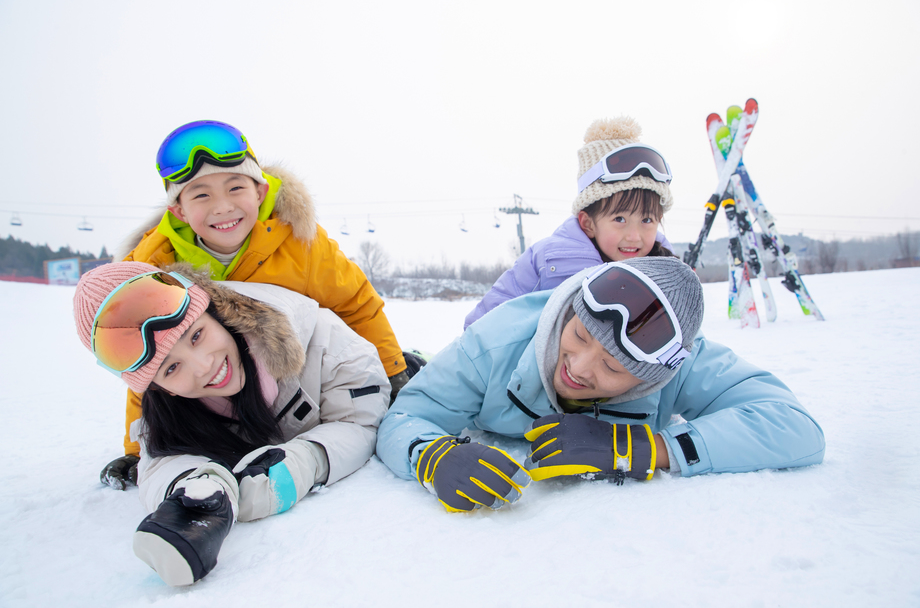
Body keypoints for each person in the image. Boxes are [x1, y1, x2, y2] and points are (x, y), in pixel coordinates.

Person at [102, 120, 419, 491]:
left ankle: (409, 361)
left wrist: (393, 369)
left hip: (301, 377)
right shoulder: (156, 268)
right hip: (223, 390)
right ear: (179, 211)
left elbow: (357, 304)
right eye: (200, 195)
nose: (223, 207)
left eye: (236, 188)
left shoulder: (301, 244)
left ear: (260, 191)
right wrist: (137, 448)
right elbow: (148, 359)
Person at [377, 257, 825, 512]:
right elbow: (406, 415)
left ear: (654, 376)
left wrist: (648, 449)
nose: (579, 368)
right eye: (578, 336)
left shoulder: (681, 361)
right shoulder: (492, 344)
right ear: (571, 311)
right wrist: (432, 458)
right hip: (459, 369)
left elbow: (794, 428)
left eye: (612, 368)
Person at [74, 261, 390, 585]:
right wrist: (199, 495)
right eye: (171, 369)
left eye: (196, 335)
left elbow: (360, 421)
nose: (204, 366)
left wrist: (299, 464)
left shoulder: (323, 339)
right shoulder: (168, 411)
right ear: (159, 388)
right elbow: (160, 462)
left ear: (214, 311)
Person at [464, 116, 676, 329]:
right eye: (619, 219)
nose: (634, 235)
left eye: (647, 219)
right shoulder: (546, 262)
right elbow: (484, 325)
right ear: (588, 223)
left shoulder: (666, 273)